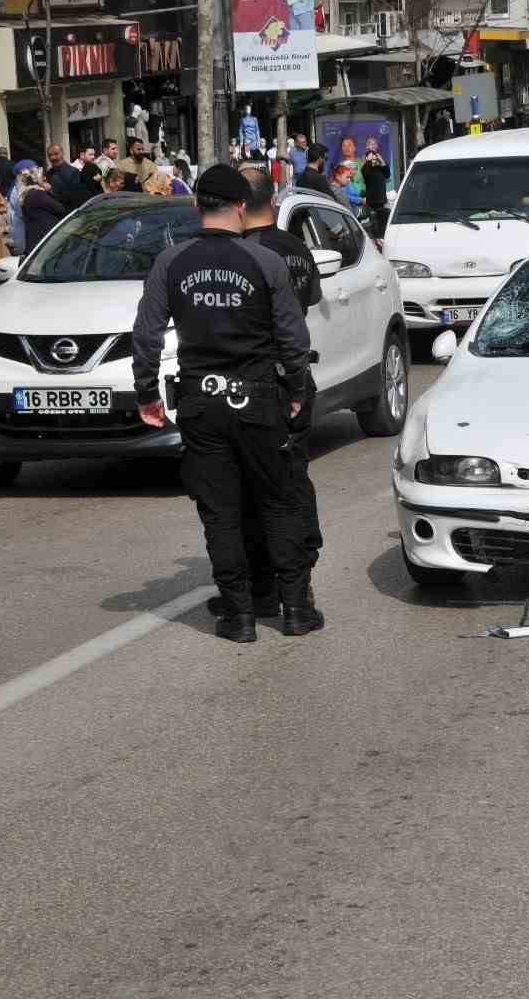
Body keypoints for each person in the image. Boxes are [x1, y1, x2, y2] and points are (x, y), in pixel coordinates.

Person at [129, 164, 321, 642]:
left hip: (202, 405)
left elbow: (147, 335)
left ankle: (239, 616)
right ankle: (295, 608)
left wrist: (147, 394)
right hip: (259, 401)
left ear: (197, 206)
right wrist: (297, 390)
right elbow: (293, 339)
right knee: (279, 502)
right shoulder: (265, 262)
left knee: (221, 512)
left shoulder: (171, 262)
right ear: (241, 207)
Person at [200, 163, 326, 620]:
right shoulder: (295, 247)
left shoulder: (236, 256)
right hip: (292, 377)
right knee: (291, 485)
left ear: (237, 203)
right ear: (271, 199)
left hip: (254, 383)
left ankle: (263, 587)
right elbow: (308, 304)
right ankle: (297, 588)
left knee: (254, 494)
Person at [18, 167, 67, 256]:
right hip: (44, 242)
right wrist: (49, 190)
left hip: (36, 242)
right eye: (42, 176)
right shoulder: (38, 194)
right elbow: (60, 209)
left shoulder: (28, 193)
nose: (45, 178)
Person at [45, 142, 90, 210]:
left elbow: (75, 199)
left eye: (56, 154)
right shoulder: (49, 174)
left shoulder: (74, 172)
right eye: (50, 155)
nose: (53, 157)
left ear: (62, 153)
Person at [6, 159, 35, 251]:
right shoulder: (17, 191)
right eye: (32, 171)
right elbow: (22, 213)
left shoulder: (28, 187)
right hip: (23, 233)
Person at [361, 146, 390, 230]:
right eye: (371, 157)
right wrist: (369, 160)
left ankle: (381, 233)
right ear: (367, 158)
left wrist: (381, 160)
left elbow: (388, 174)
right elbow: (365, 173)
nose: (374, 159)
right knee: (373, 221)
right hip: (372, 200)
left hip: (381, 199)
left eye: (375, 157)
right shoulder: (365, 168)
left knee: (382, 221)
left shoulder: (379, 168)